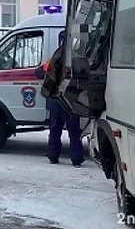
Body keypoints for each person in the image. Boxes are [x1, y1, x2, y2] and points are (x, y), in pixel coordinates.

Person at [42, 32, 84, 167]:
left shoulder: (56, 55)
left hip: (55, 100)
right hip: (70, 101)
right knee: (73, 132)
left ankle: (53, 156)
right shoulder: (78, 57)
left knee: (55, 130)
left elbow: (45, 73)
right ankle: (76, 158)